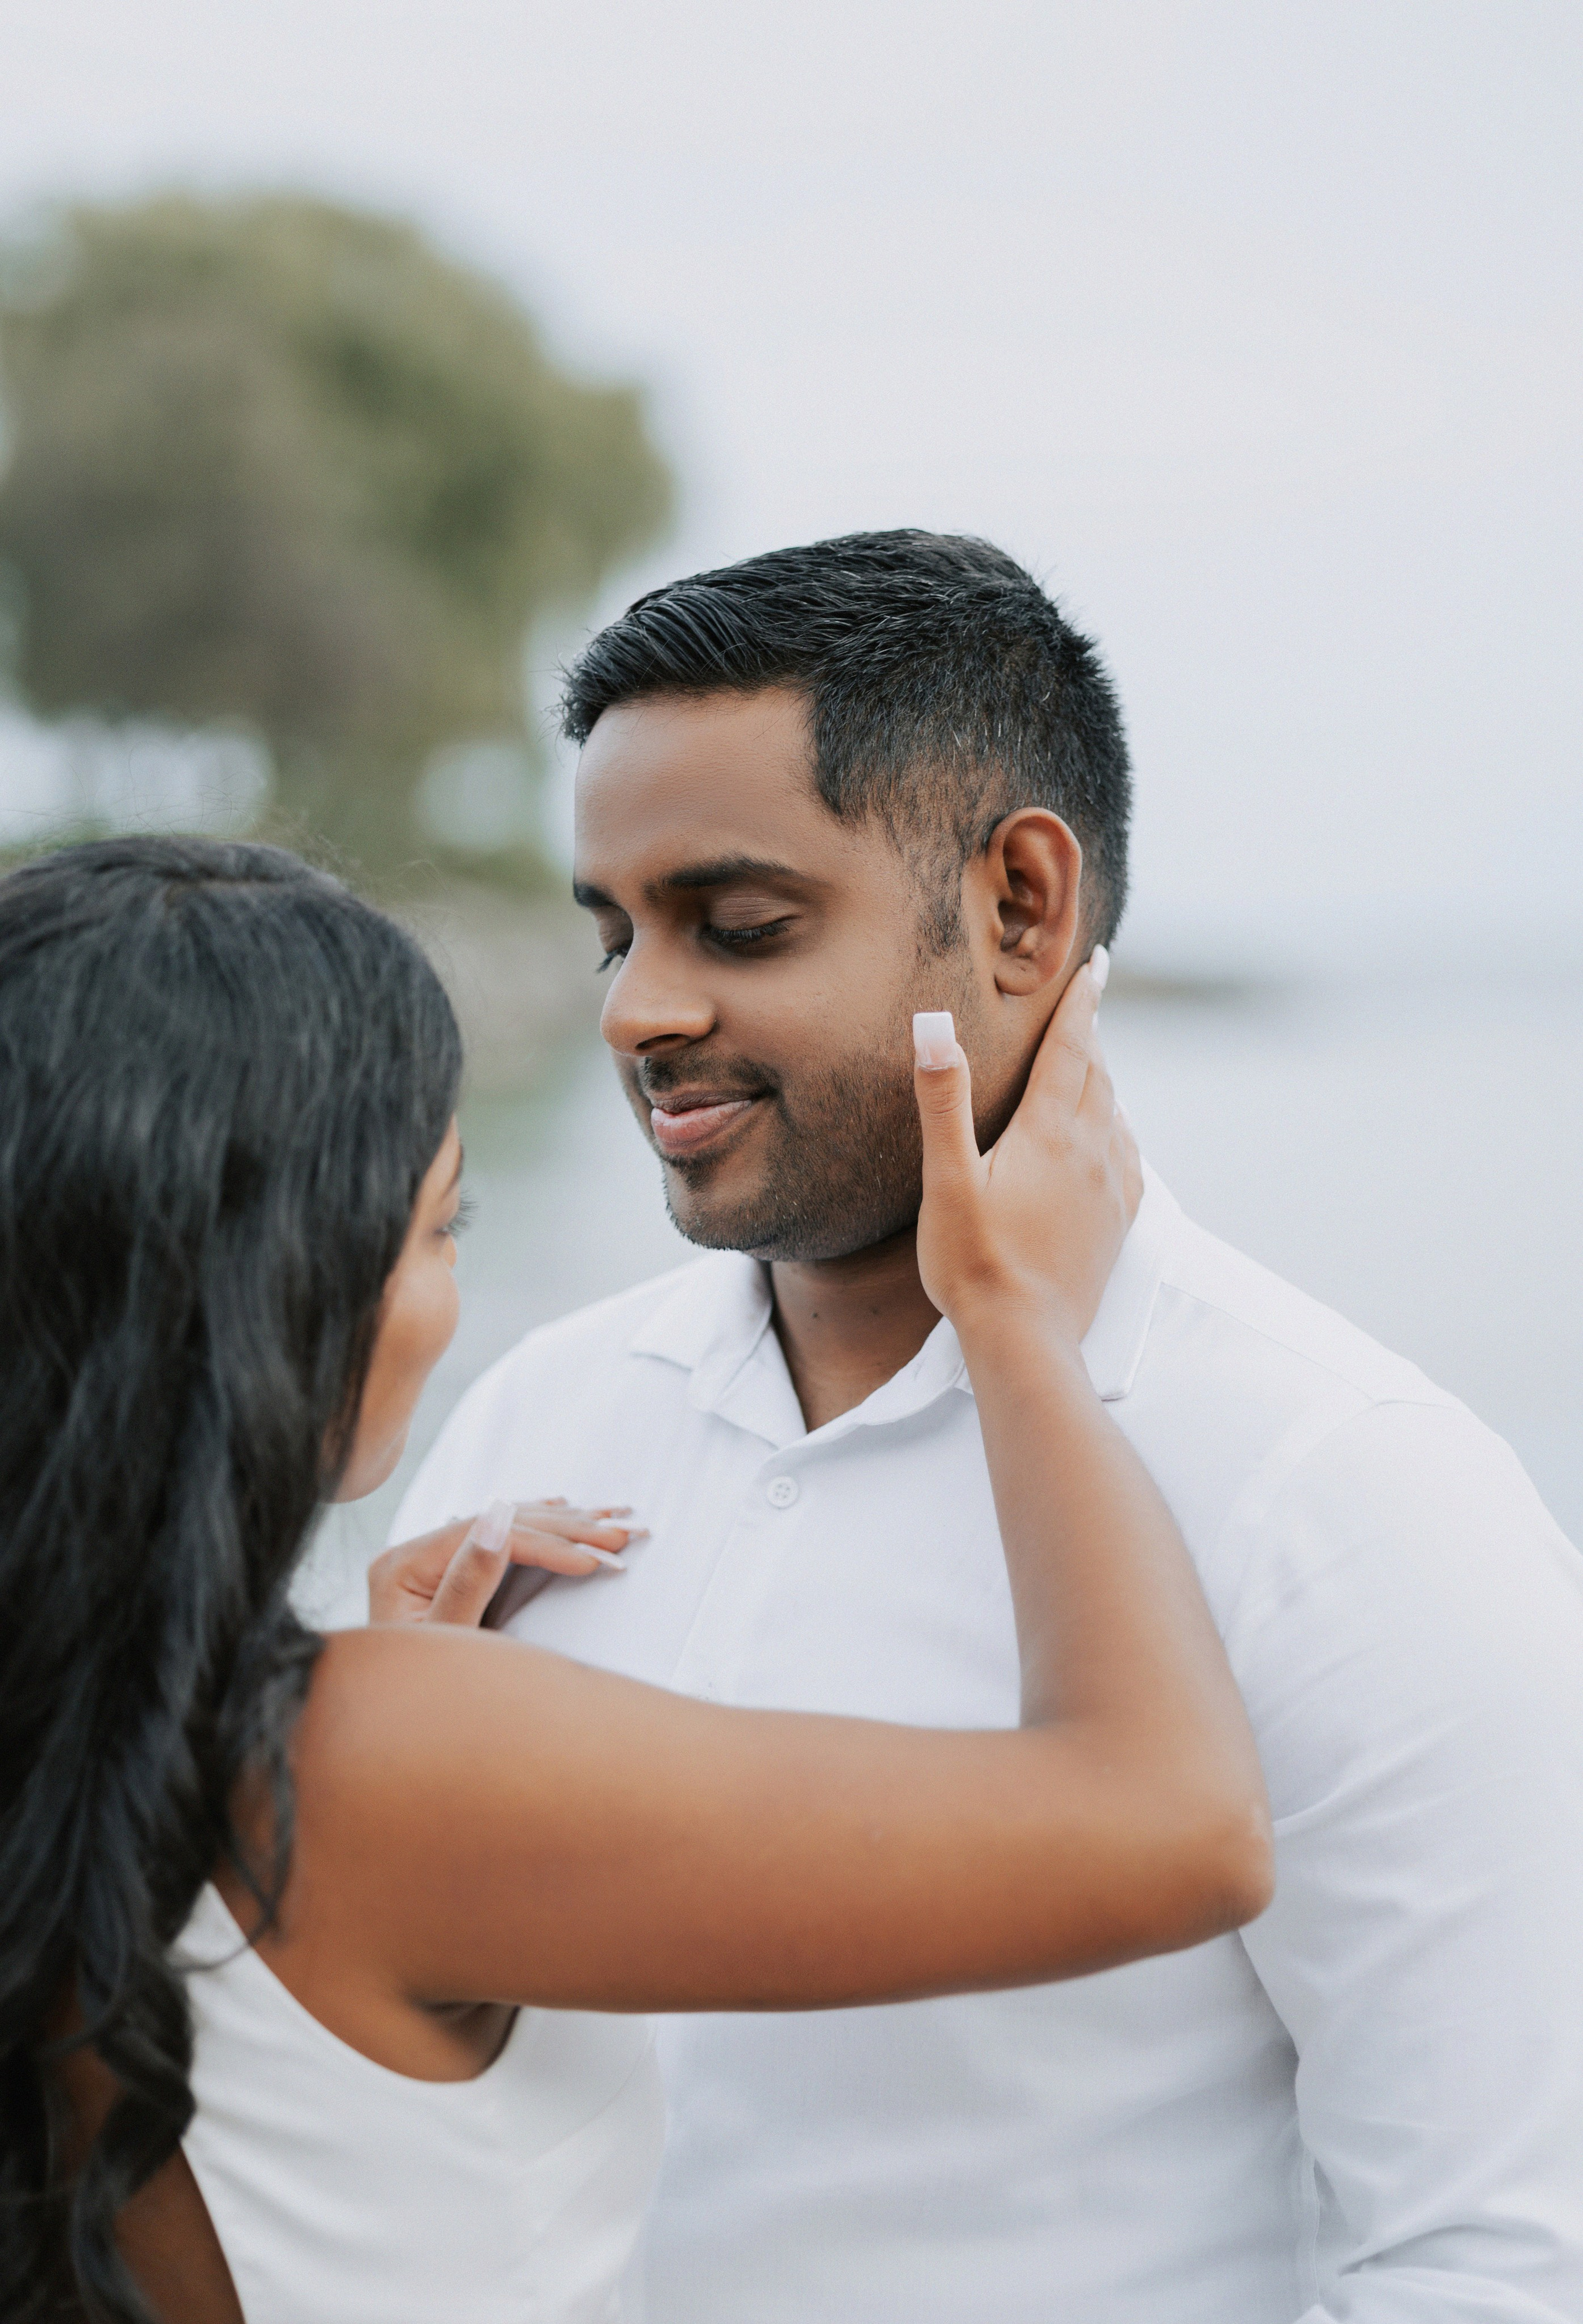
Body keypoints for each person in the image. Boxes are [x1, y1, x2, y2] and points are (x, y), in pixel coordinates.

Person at [390, 532, 1583, 2324]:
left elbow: (1486, 2256)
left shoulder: (1352, 1488)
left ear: (1024, 906)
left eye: (739, 922)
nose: (639, 1006)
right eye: (615, 928)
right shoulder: (541, 1405)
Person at [0, 836, 1272, 2324]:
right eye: (438, 1223)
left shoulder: (108, 1733)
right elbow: (1175, 1827)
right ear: (281, 1281)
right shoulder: (359, 1762)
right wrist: (1010, 1316)